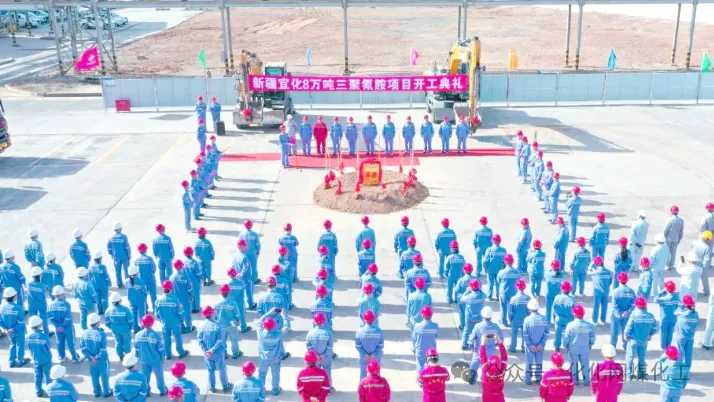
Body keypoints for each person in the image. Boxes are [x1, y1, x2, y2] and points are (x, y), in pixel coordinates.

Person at [198, 306, 233, 393]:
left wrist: (206, 351)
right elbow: (220, 341)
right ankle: (225, 386)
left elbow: (200, 341)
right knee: (222, 369)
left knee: (210, 370)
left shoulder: (201, 326)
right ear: (212, 313)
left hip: (207, 354)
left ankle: (212, 387)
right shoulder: (217, 325)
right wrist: (212, 350)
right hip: (217, 352)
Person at [624, 296, 658, 379]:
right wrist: (650, 334)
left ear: (636, 305)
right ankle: (641, 373)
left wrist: (626, 334)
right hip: (644, 340)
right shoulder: (651, 316)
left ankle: (629, 374)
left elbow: (629, 326)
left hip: (633, 339)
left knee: (630, 357)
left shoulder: (634, 315)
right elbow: (655, 327)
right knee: (642, 357)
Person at [135, 314, 168, 396]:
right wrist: (163, 358)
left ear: (142, 323)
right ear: (152, 323)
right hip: (155, 360)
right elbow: (161, 349)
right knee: (159, 376)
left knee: (145, 376)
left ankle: (146, 391)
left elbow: (137, 348)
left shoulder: (138, 335)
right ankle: (162, 390)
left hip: (143, 360)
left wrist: (137, 357)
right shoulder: (156, 336)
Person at [80, 313, 111, 397]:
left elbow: (83, 348)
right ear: (97, 323)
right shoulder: (101, 333)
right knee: (104, 376)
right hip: (102, 360)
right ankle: (106, 392)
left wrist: (91, 357)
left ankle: (96, 392)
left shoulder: (84, 333)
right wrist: (96, 357)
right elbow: (103, 349)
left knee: (94, 377)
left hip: (91, 360)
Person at [47, 286, 81, 363]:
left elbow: (50, 317)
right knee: (71, 343)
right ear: (62, 294)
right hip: (67, 327)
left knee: (60, 342)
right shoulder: (66, 304)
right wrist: (62, 325)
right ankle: (74, 357)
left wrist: (58, 325)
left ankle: (61, 357)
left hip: (58, 328)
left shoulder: (50, 305)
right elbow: (68, 317)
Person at [564, 305, 596, 385]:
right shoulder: (589, 325)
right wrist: (590, 344)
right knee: (585, 365)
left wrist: (566, 346)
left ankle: (575, 381)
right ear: (583, 314)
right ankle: (586, 381)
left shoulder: (570, 325)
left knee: (573, 365)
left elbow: (566, 338)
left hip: (573, 349)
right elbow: (592, 337)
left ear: (574, 314)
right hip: (584, 348)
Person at [258, 316, 289, 395]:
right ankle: (275, 390)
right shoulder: (278, 333)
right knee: (275, 374)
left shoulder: (260, 333)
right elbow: (286, 327)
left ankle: (261, 390)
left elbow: (259, 322)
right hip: (275, 358)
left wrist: (269, 313)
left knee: (262, 374)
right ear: (274, 325)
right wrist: (284, 317)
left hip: (263, 359)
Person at [523, 299, 549, 385]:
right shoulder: (544, 319)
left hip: (530, 346)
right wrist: (541, 343)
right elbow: (546, 333)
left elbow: (525, 334)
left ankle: (528, 379)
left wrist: (530, 345)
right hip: (540, 346)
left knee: (529, 362)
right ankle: (538, 378)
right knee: (539, 361)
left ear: (529, 309)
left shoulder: (527, 320)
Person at [1, 287, 27, 367]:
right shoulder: (18, 308)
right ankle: (20, 361)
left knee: (12, 343)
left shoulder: (1, 307)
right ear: (14, 297)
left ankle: (11, 362)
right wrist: (13, 329)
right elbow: (21, 322)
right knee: (20, 345)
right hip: (19, 330)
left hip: (8, 331)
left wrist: (5, 329)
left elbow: (0, 321)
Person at [306, 312, 334, 386]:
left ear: (314, 321)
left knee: (316, 373)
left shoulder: (310, 333)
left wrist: (316, 356)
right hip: (326, 358)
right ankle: (328, 386)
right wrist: (323, 356)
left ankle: (317, 387)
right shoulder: (328, 333)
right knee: (327, 372)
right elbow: (330, 347)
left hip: (315, 359)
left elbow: (308, 347)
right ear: (324, 321)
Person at [27, 315, 52, 397]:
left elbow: (29, 347)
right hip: (46, 359)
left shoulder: (28, 336)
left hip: (35, 359)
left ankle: (38, 391)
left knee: (37, 375)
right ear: (39, 325)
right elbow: (48, 347)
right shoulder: (44, 336)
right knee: (48, 376)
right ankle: (50, 391)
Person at [216, 284, 243, 359]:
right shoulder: (233, 303)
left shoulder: (217, 303)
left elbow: (215, 316)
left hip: (221, 325)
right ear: (229, 292)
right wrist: (238, 320)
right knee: (234, 340)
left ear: (220, 292)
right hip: (232, 324)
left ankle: (224, 355)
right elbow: (237, 314)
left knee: (222, 341)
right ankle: (235, 354)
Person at [355, 311, 384, 380]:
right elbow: (381, 345)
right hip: (375, 357)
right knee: (377, 374)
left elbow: (358, 346)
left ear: (364, 319)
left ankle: (362, 385)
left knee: (363, 374)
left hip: (364, 357)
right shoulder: (378, 331)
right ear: (373, 319)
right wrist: (373, 354)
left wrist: (365, 354)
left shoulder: (359, 331)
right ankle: (377, 385)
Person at [611, 272, 636, 350]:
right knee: (626, 332)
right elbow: (633, 304)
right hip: (626, 316)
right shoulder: (631, 291)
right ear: (627, 280)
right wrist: (627, 312)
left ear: (619, 280)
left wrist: (619, 313)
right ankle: (626, 346)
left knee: (614, 332)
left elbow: (614, 305)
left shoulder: (615, 291)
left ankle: (613, 347)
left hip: (616, 315)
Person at [105, 292, 133, 360]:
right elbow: (131, 320)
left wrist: (111, 327)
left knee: (118, 342)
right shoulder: (125, 309)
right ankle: (127, 356)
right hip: (125, 329)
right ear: (120, 301)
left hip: (115, 330)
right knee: (127, 342)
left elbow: (107, 322)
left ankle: (120, 355)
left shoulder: (108, 310)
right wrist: (130, 327)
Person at [413, 305, 439, 378]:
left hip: (420, 350)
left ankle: (420, 381)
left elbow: (414, 337)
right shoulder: (435, 326)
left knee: (420, 367)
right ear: (431, 315)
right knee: (431, 368)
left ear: (422, 315)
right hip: (431, 351)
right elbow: (436, 336)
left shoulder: (417, 326)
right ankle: (430, 380)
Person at [479, 334, 507, 400]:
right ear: (499, 364)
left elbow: (482, 356)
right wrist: (499, 342)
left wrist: (483, 343)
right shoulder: (502, 371)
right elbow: (504, 356)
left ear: (488, 364)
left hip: (487, 396)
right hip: (499, 396)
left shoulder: (486, 370)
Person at [653, 280, 680, 350]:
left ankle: (663, 346)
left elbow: (655, 300)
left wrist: (661, 292)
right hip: (673, 318)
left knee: (663, 332)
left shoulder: (665, 299)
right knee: (670, 332)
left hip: (664, 318)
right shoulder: (677, 297)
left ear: (667, 289)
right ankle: (668, 346)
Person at [672, 295, 697, 368]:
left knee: (680, 353)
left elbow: (675, 312)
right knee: (688, 354)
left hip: (681, 337)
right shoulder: (695, 314)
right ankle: (687, 369)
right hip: (691, 337)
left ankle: (679, 369)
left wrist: (680, 305)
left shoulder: (682, 314)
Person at [460, 280, 486, 348]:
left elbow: (461, 299)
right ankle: (478, 344)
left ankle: (464, 344)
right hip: (479, 318)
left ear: (471, 287)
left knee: (466, 330)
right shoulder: (482, 296)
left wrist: (467, 291)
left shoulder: (469, 297)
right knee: (479, 332)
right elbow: (485, 294)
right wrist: (479, 289)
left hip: (470, 318)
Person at [588, 257, 614, 326]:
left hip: (597, 292)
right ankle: (602, 320)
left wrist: (591, 265)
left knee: (596, 306)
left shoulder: (595, 272)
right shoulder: (608, 272)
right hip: (606, 292)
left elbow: (588, 273)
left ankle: (594, 321)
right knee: (604, 306)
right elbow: (611, 279)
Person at [27, 267, 52, 336]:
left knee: (33, 319)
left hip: (32, 304)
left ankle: (34, 333)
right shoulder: (42, 285)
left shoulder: (29, 283)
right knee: (44, 319)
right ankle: (46, 333)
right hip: (41, 304)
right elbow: (46, 289)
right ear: (39, 275)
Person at [497, 254, 520, 326]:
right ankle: (512, 321)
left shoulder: (501, 272)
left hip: (503, 293)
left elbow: (498, 281)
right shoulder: (517, 272)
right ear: (513, 262)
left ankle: (503, 321)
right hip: (513, 292)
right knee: (512, 308)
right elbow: (518, 281)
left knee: (503, 307)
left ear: (505, 262)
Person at [508, 279, 531, 352]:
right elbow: (530, 311)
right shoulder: (528, 298)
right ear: (524, 287)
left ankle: (512, 348)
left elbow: (510, 311)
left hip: (515, 320)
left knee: (514, 334)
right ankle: (524, 348)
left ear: (516, 287)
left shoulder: (513, 299)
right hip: (525, 320)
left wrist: (511, 319)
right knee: (524, 334)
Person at [134, 244, 158, 312]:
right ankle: (155, 309)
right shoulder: (150, 259)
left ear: (139, 251)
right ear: (146, 250)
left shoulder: (136, 260)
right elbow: (154, 269)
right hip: (150, 280)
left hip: (141, 281)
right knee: (153, 296)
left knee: (143, 296)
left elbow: (135, 271)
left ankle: (145, 309)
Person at [553, 281, 575, 352]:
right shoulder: (572, 299)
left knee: (558, 334)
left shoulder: (557, 297)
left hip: (559, 319)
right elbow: (574, 311)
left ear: (561, 289)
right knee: (568, 334)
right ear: (570, 290)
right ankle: (567, 346)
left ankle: (557, 347)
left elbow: (554, 308)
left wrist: (554, 317)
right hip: (569, 319)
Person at [125, 265, 148, 333]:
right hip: (141, 301)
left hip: (131, 300)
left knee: (133, 315)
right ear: (137, 273)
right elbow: (145, 291)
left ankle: (135, 329)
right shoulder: (140, 281)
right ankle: (143, 328)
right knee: (142, 315)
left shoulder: (126, 281)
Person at [107, 222, 131, 287]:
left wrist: (111, 254)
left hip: (116, 257)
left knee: (117, 270)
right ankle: (127, 283)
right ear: (120, 228)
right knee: (126, 270)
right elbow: (127, 247)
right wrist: (129, 254)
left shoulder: (110, 238)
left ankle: (119, 283)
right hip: (124, 256)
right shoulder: (123, 237)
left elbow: (109, 248)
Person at [483, 234, 507, 300]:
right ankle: (498, 297)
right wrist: (504, 268)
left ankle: (489, 296)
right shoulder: (503, 250)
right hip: (500, 270)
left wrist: (485, 269)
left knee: (490, 284)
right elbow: (505, 261)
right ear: (500, 241)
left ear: (493, 241)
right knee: (499, 284)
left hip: (490, 269)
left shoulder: (489, 250)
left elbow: (485, 261)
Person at [454, 264, 477, 329]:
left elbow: (457, 290)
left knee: (462, 312)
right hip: (473, 298)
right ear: (472, 270)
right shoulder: (475, 279)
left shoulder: (461, 280)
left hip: (462, 299)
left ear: (464, 271)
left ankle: (463, 326)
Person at [692, 230, 713, 295]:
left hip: (693, 263)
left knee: (693, 279)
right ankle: (706, 292)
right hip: (701, 266)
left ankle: (692, 291)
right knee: (704, 279)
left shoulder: (694, 243)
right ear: (706, 239)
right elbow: (705, 262)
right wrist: (701, 265)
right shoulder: (707, 248)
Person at [544, 260, 564, 326]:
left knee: (548, 309)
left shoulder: (548, 274)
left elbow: (545, 273)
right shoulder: (561, 275)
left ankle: (548, 322)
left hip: (549, 294)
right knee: (556, 309)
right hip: (557, 294)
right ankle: (556, 321)